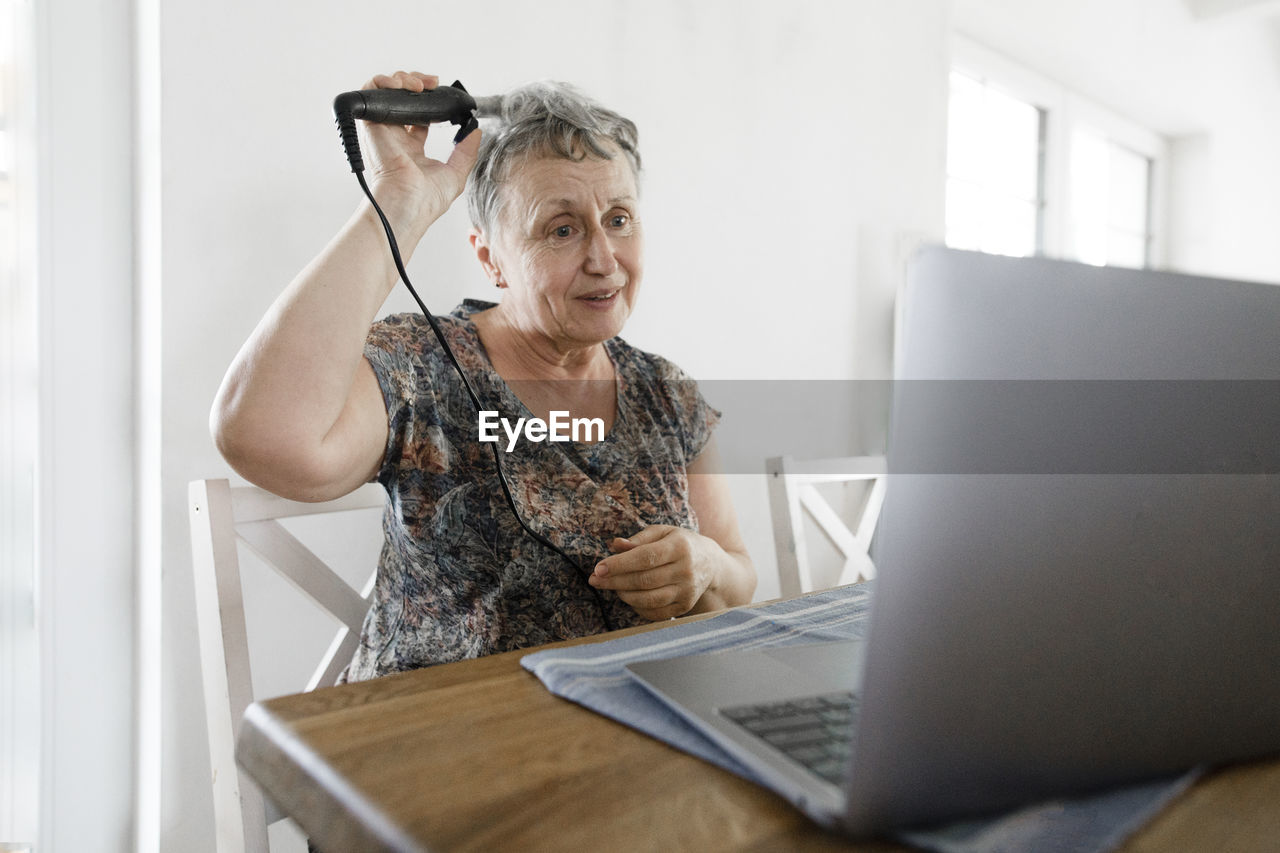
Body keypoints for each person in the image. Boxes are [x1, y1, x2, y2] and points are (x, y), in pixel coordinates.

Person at [211, 71, 756, 680]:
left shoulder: (667, 393)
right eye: (562, 229)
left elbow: (738, 576)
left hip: (626, 735)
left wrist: (704, 565)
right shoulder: (424, 365)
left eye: (620, 219)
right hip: (444, 747)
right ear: (490, 258)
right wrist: (400, 201)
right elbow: (263, 436)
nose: (605, 259)